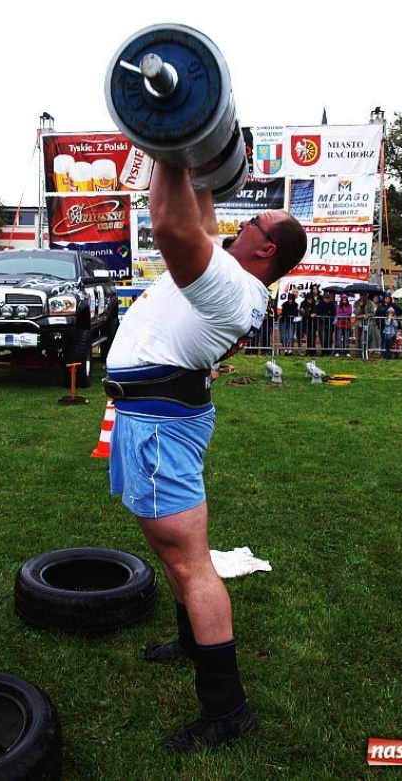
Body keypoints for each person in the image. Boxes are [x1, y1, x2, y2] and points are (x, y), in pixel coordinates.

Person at [104, 161, 307, 750]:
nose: (239, 224)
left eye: (255, 223)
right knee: (169, 550)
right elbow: (200, 211)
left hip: (161, 427)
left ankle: (226, 708)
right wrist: (197, 165)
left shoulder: (231, 284)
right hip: (152, 418)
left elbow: (170, 223)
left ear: (265, 249)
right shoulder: (230, 268)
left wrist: (166, 147)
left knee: (190, 561)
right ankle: (191, 640)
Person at [353, 292, 376, 358]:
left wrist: (364, 316)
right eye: (361, 295)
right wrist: (360, 306)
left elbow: (372, 313)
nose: (363, 296)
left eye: (364, 295)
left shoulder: (370, 303)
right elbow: (355, 312)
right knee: (358, 338)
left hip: (367, 323)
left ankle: (365, 352)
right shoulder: (357, 303)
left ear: (366, 295)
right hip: (358, 323)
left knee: (365, 338)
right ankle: (358, 353)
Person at [278, 291, 299, 355]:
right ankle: (285, 350)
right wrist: (289, 314)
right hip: (283, 322)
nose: (290, 300)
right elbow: (284, 313)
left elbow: (295, 313)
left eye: (291, 299)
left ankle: (290, 350)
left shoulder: (295, 305)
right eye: (289, 299)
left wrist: (288, 314)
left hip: (290, 322)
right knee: (284, 336)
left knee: (290, 336)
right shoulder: (285, 304)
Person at [316, 290, 336, 355]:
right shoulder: (320, 304)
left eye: (328, 298)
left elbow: (333, 314)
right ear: (323, 298)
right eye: (325, 298)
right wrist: (327, 313)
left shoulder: (332, 304)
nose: (327, 300)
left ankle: (329, 351)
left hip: (330, 323)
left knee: (329, 337)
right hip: (321, 323)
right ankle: (323, 351)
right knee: (322, 337)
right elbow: (318, 311)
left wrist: (327, 314)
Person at [300, 290, 319, 356]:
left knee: (313, 337)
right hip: (306, 323)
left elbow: (315, 312)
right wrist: (309, 315)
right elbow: (302, 312)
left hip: (313, 323)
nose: (310, 300)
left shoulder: (314, 304)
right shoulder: (303, 303)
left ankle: (313, 351)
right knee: (308, 337)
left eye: (311, 298)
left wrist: (308, 314)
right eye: (309, 299)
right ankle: (308, 351)